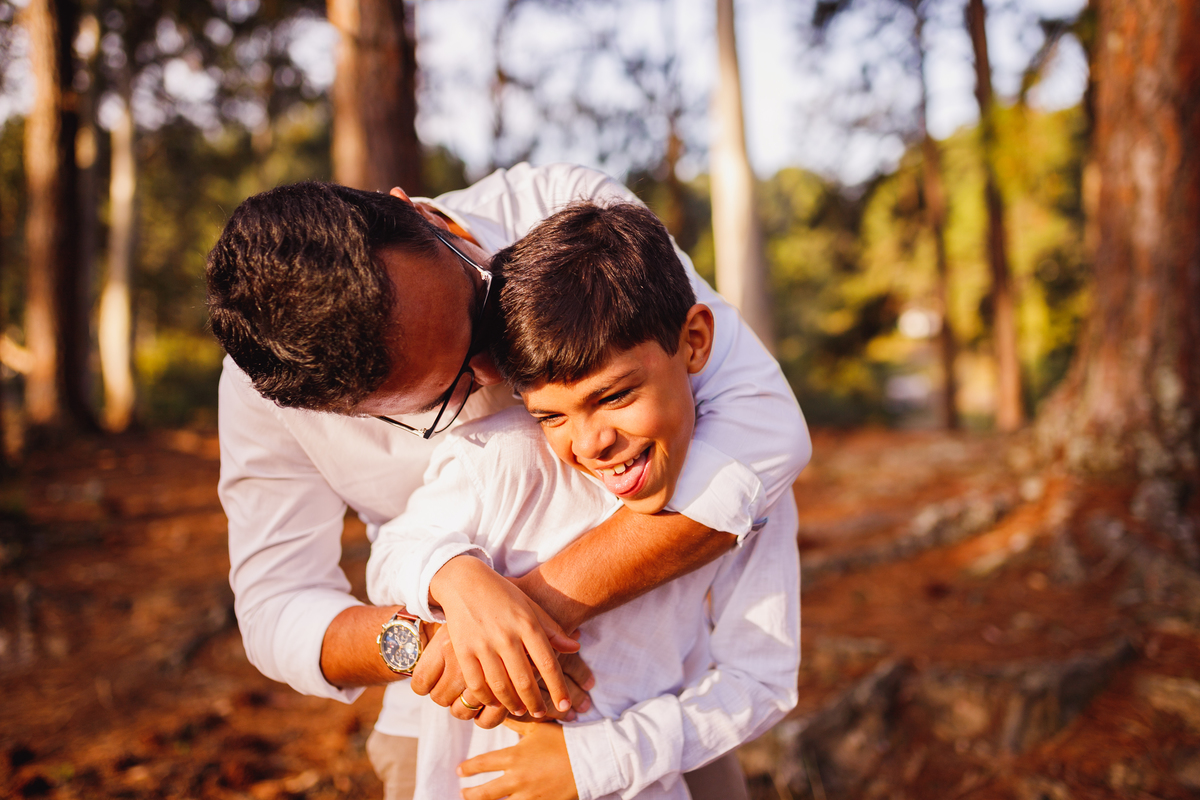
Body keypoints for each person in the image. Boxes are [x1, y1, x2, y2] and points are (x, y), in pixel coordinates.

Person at [205, 163, 811, 798]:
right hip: (463, 735)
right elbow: (280, 606)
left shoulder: (579, 224)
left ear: (422, 215)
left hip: (660, 708)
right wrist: (447, 633)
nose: (505, 373)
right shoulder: (283, 397)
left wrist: (531, 623)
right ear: (343, 407)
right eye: (446, 394)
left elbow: (762, 432)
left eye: (481, 306)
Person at [366, 201, 801, 800]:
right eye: (551, 415)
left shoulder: (748, 497)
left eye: (616, 395)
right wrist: (456, 576)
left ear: (694, 341)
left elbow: (763, 678)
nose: (593, 443)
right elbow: (392, 552)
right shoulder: (505, 456)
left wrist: (597, 760)